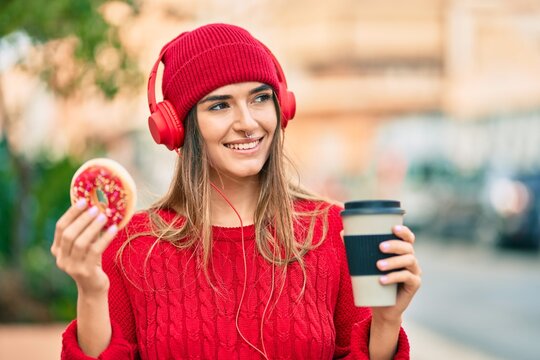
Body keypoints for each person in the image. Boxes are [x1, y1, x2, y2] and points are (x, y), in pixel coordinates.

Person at [52, 23, 421, 360]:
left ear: (282, 107)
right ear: (178, 128)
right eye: (219, 105)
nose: (248, 123)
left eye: (260, 98)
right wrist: (91, 289)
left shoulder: (332, 233)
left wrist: (387, 321)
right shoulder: (131, 246)